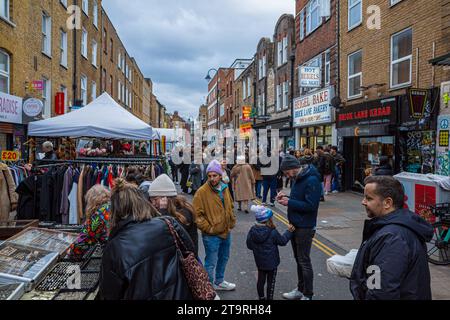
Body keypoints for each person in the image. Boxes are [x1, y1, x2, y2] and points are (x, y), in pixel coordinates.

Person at [99, 179, 195, 300]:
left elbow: (109, 294)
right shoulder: (167, 224)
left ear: (115, 211)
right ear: (142, 202)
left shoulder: (113, 248)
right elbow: (191, 253)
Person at [350, 176, 433, 300]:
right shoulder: (394, 230)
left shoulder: (392, 238)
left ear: (387, 203)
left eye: (369, 198)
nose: (363, 202)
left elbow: (381, 291)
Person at [276, 155, 321, 300]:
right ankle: (300, 289)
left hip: (305, 227)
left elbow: (311, 206)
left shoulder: (312, 180)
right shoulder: (298, 178)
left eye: (286, 172)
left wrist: (289, 202)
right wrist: (286, 196)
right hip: (295, 224)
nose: (286, 176)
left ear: (293, 168)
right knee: (298, 259)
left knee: (304, 261)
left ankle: (308, 294)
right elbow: (299, 198)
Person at [193, 160, 237, 291]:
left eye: (215, 175)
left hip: (226, 230)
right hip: (211, 235)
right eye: (209, 176)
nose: (212, 178)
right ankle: (209, 289)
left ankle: (219, 281)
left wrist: (232, 220)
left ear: (220, 175)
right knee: (211, 262)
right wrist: (209, 228)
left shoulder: (224, 187)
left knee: (224, 257)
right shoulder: (201, 192)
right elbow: (197, 215)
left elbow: (230, 205)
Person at [247, 206, 295, 300]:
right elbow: (282, 241)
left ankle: (261, 298)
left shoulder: (252, 231)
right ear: (269, 220)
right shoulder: (272, 232)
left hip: (260, 262)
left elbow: (249, 245)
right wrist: (289, 232)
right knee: (271, 282)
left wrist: (257, 249)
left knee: (261, 280)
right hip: (272, 263)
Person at [149, 174, 199, 255]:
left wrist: (163, 213)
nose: (153, 203)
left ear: (165, 198)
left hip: (184, 260)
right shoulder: (162, 210)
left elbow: (167, 235)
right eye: (151, 200)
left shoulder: (184, 212)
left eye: (155, 199)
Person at [67, 185, 111, 259]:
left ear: (91, 200)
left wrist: (71, 252)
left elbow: (85, 240)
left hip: (116, 257)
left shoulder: (98, 215)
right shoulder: (112, 206)